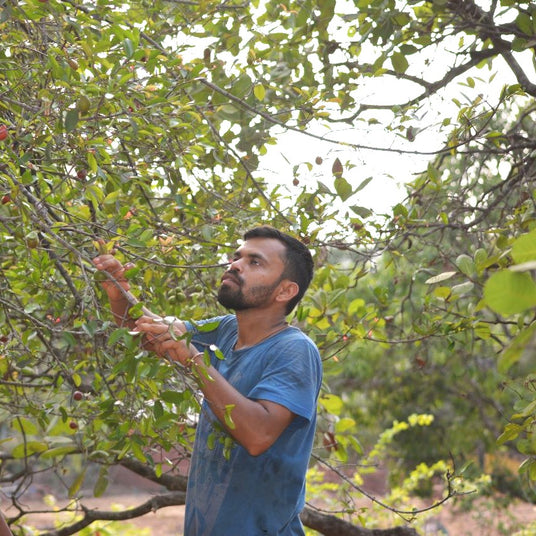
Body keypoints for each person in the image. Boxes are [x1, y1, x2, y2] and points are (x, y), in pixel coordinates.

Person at [93, 226, 322, 536]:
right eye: (237, 257)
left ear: (285, 291)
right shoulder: (226, 330)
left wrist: (193, 359)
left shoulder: (294, 350)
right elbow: (152, 335)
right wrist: (119, 293)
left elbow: (258, 436)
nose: (235, 265)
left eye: (255, 262)